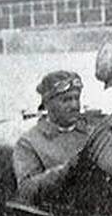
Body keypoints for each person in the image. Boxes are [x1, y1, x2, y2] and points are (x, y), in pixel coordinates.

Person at [12, 70, 103, 203]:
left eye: (76, 98)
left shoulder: (93, 132)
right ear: (48, 104)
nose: (74, 105)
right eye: (66, 100)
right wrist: (67, 170)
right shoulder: (29, 143)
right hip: (63, 213)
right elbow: (27, 190)